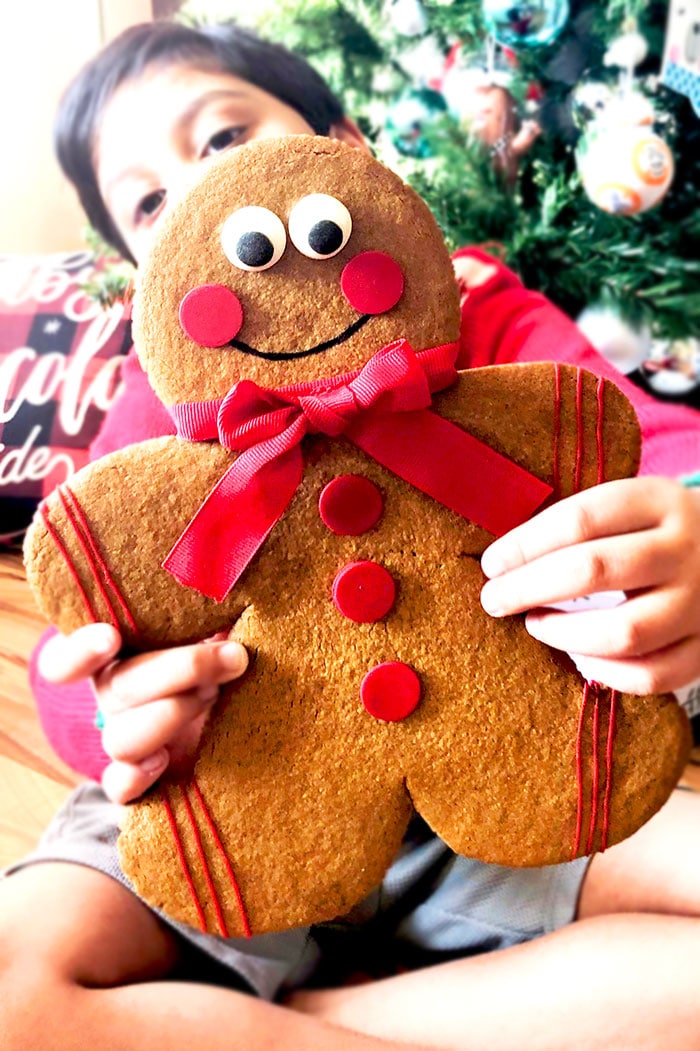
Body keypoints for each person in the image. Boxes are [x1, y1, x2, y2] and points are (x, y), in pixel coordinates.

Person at [2, 19, 700, 1051]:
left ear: (350, 151)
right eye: (150, 201)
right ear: (142, 271)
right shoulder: (157, 420)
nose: (201, 196)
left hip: (508, 771)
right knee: (20, 994)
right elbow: (79, 631)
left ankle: (271, 1016)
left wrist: (678, 535)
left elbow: (650, 449)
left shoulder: (480, 308)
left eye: (224, 140)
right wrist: (120, 714)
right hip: (223, 790)